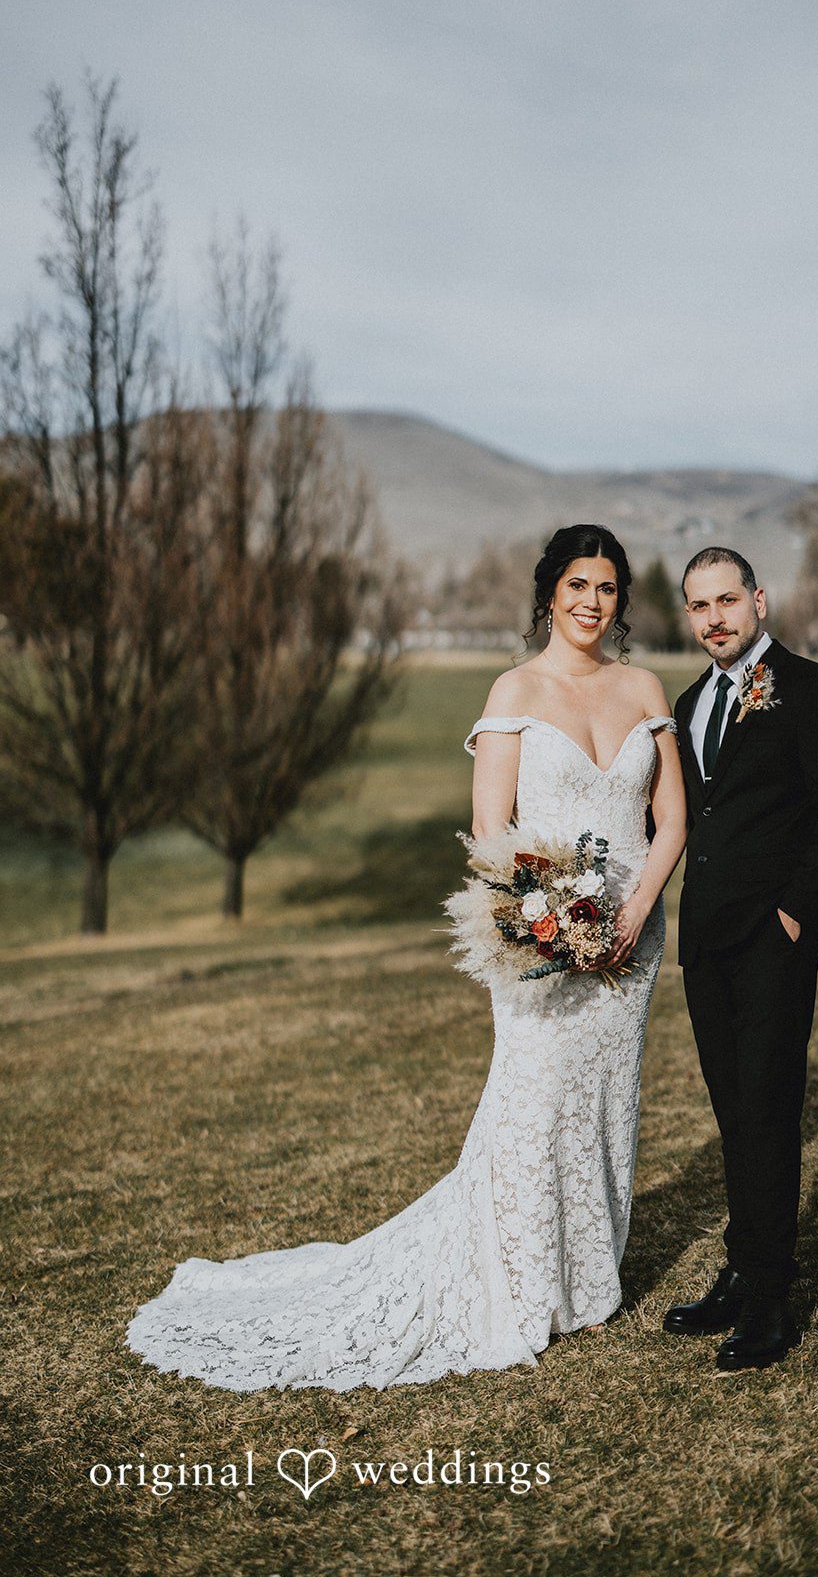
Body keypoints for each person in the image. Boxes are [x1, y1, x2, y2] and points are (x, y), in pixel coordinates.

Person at [125, 524, 687, 1391]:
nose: (592, 601)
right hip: (544, 937)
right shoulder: (514, 690)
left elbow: (671, 817)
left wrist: (636, 911)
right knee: (533, 1103)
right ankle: (525, 1285)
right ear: (549, 592)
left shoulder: (643, 686)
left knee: (609, 1103)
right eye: (577, 583)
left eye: (607, 587)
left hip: (633, 941)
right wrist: (552, 923)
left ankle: (587, 1284)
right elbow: (491, 832)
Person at [663, 546, 818, 1370]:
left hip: (772, 940)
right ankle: (740, 1268)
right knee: (732, 1111)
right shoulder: (689, 703)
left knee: (767, 1109)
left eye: (726, 600)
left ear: (757, 600)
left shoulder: (816, 690)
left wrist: (793, 912)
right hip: (704, 940)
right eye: (698, 605)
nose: (713, 618)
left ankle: (769, 1302)